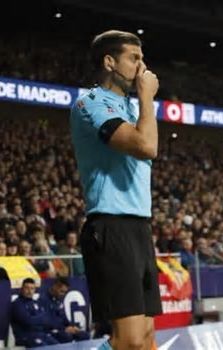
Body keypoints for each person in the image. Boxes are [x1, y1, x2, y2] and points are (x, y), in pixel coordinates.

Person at [70, 30, 161, 350]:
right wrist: (147, 97)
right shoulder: (91, 102)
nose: (142, 66)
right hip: (110, 226)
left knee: (148, 337)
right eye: (133, 58)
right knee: (129, 340)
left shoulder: (134, 109)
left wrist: (143, 103)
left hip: (139, 226)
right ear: (110, 61)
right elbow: (147, 146)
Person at [11, 278, 58, 347]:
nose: (29, 291)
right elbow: (28, 321)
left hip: (41, 334)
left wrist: (37, 319)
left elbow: (47, 320)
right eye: (27, 288)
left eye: (32, 288)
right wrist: (41, 318)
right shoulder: (17, 304)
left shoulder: (36, 302)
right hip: (26, 337)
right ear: (21, 289)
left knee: (58, 346)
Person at [40, 277, 90, 343]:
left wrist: (72, 326)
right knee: (66, 336)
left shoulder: (58, 299)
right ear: (55, 287)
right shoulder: (43, 299)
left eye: (65, 292)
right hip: (51, 330)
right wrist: (64, 329)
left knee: (84, 335)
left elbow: (63, 317)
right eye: (61, 291)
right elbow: (48, 321)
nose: (63, 294)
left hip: (62, 329)